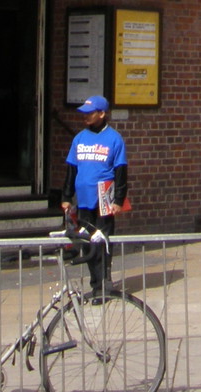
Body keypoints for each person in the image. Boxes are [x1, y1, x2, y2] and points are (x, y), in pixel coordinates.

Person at [61, 95, 129, 296]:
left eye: (89, 113)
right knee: (87, 243)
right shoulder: (79, 138)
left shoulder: (114, 139)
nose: (85, 117)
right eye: (83, 113)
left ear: (102, 113)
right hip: (83, 199)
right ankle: (96, 283)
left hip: (105, 197)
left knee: (102, 240)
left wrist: (118, 200)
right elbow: (71, 170)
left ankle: (103, 284)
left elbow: (121, 172)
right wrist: (66, 196)